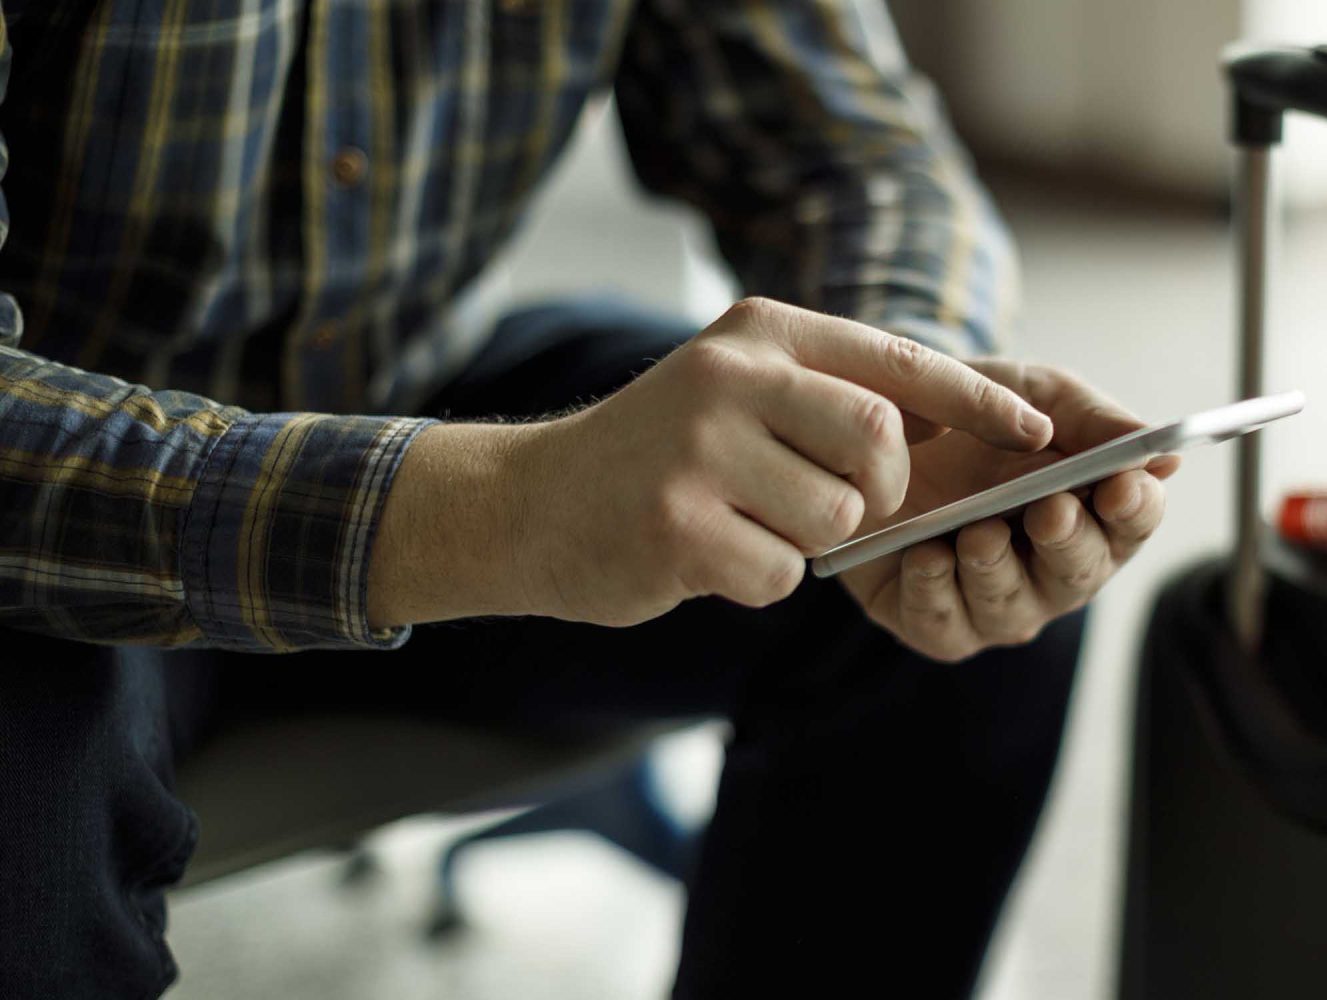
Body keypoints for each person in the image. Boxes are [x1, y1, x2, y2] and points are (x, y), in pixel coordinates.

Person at [0, 2, 1174, 997]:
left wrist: (891, 414)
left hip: (414, 384)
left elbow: (850, 149)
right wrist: (500, 510)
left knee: (952, 591)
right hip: (61, 512)